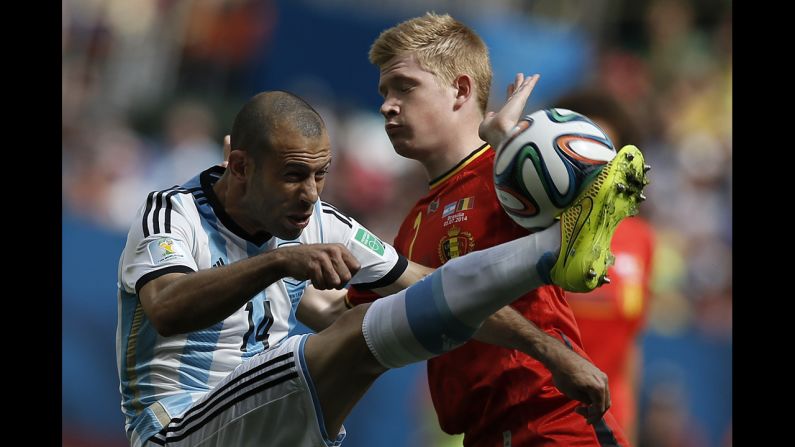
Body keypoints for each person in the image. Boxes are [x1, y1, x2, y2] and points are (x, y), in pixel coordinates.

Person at [115, 88, 647, 446]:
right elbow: (166, 308)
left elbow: (433, 288)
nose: (310, 195)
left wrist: (549, 350)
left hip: (272, 423)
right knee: (354, 335)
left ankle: (554, 249)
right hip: (178, 426)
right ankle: (549, 249)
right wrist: (280, 261)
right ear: (239, 166)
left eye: (321, 176)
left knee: (382, 314)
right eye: (294, 176)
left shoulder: (322, 222)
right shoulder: (173, 212)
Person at [347, 12, 643, 447]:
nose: (387, 105)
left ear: (461, 90)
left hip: (553, 420)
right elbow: (350, 316)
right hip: (481, 435)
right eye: (384, 92)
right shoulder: (412, 225)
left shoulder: (517, 180)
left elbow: (605, 197)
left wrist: (509, 145)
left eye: (404, 87)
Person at [556, 89, 657, 445]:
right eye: (585, 149)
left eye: (608, 153)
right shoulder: (534, 232)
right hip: (539, 421)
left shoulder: (641, 239)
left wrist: (632, 432)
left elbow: (631, 346)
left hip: (610, 426)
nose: (598, 167)